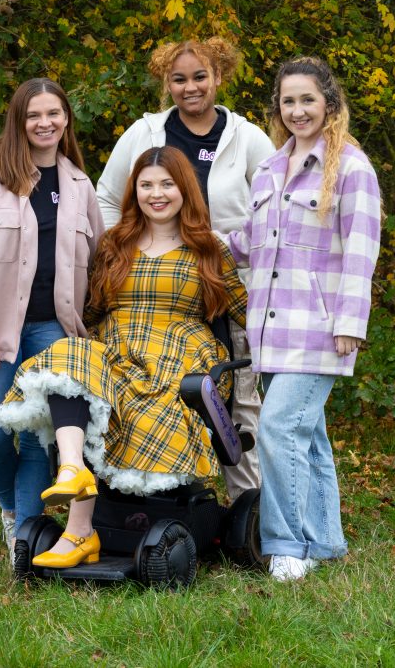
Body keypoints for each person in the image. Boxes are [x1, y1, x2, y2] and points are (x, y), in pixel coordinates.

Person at [0, 146, 248, 568]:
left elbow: (246, 311)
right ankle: (74, 473)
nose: (156, 193)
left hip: (178, 357)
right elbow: (88, 311)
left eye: (167, 184)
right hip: (117, 349)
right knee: (71, 358)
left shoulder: (208, 249)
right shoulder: (115, 243)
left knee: (143, 406)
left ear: (185, 190)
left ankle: (79, 531)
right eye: (147, 185)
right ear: (134, 191)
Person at [96, 36, 275, 501]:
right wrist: (135, 248)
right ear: (166, 84)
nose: (190, 87)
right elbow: (108, 198)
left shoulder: (247, 138)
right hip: (156, 283)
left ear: (219, 77)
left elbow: (275, 209)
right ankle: (144, 502)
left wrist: (226, 249)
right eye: (179, 79)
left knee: (239, 406)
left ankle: (247, 512)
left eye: (200, 76)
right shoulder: (146, 135)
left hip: (226, 278)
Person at [227, 57, 382, 581]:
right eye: (288, 101)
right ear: (278, 108)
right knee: (306, 436)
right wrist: (198, 247)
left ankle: (287, 545)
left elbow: (361, 252)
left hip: (319, 329)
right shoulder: (271, 169)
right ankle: (326, 544)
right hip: (270, 330)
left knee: (277, 428)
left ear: (329, 104)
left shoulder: (351, 169)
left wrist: (350, 325)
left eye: (307, 100)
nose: (297, 111)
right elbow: (251, 243)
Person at [0, 78, 104, 565]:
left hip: (55, 332)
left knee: (41, 440)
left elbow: (99, 259)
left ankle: (25, 537)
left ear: (66, 119)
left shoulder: (78, 184)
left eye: (54, 113)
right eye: (35, 115)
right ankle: (12, 507)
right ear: (19, 120)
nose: (45, 123)